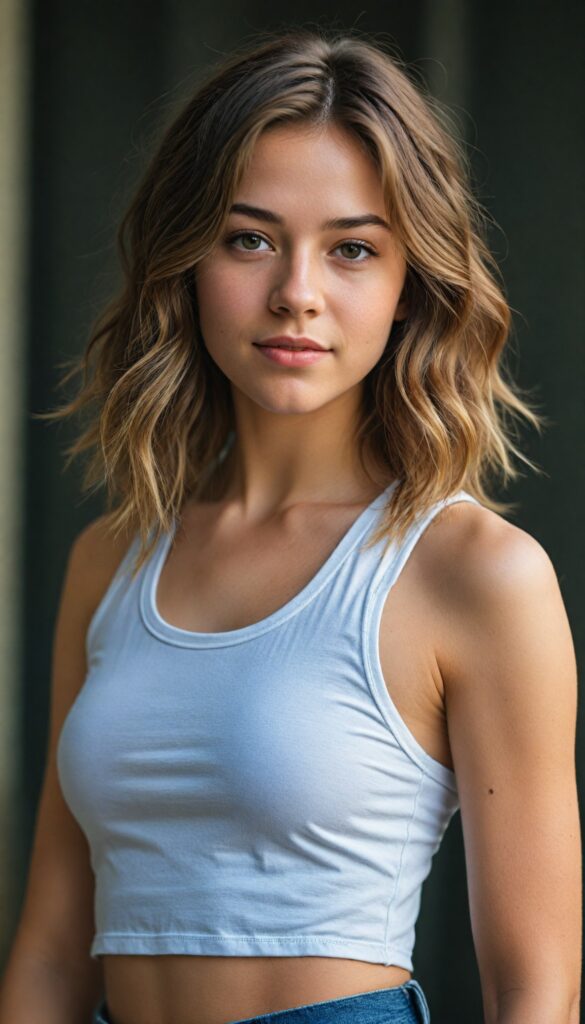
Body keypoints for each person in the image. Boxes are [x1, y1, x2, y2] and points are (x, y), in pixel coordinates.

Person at [0, 25, 580, 1024]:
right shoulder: (112, 558)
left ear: (410, 287)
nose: (296, 294)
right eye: (250, 238)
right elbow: (53, 950)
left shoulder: (475, 572)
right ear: (186, 261)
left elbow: (534, 988)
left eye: (352, 248)